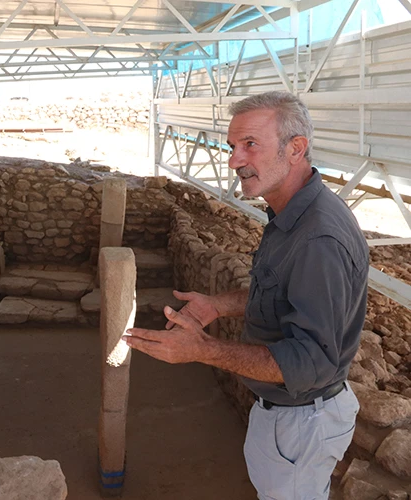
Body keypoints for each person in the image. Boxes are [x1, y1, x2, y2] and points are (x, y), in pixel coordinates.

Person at [124, 91, 368, 499]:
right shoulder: (291, 213)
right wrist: (217, 305)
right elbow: (278, 291)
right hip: (285, 415)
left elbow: (311, 362)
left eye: (250, 145)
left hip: (302, 424)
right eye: (232, 147)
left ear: (296, 148)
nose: (235, 160)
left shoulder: (318, 239)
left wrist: (202, 349)